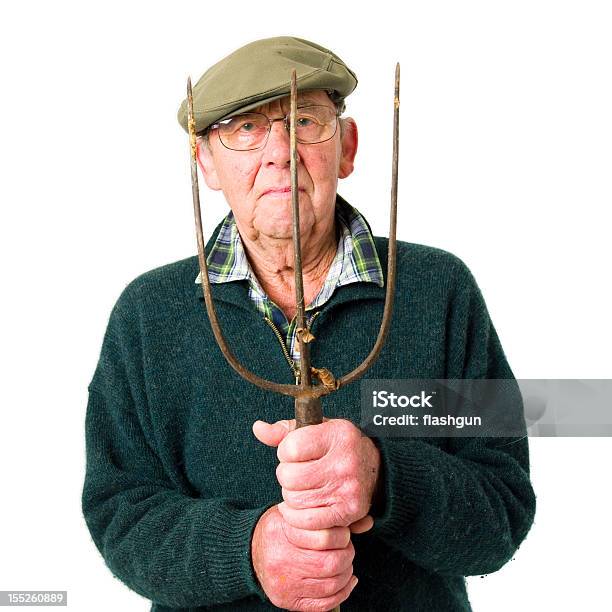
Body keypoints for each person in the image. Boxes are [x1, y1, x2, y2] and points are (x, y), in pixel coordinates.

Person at [82, 36, 536, 611]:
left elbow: (500, 514)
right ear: (206, 162)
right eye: (245, 129)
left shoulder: (435, 291)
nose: (278, 152)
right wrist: (248, 549)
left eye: (302, 120)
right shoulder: (149, 316)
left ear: (346, 147)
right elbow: (120, 514)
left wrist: (383, 477)